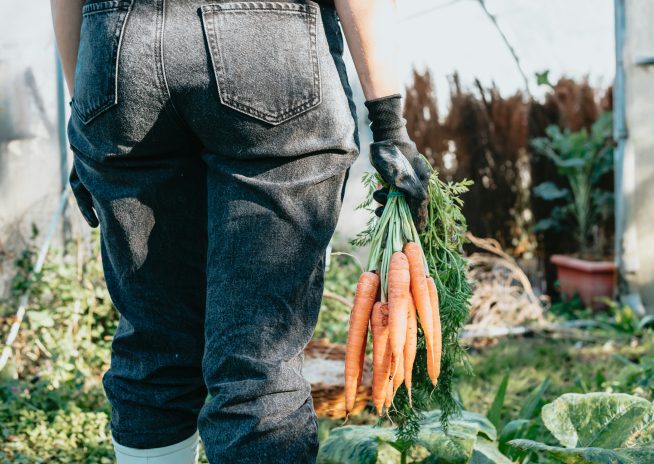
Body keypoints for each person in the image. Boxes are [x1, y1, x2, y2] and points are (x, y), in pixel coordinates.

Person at [51, 0, 429, 462]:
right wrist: (389, 124)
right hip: (267, 46)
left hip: (117, 52)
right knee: (256, 362)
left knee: (155, 347)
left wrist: (84, 119)